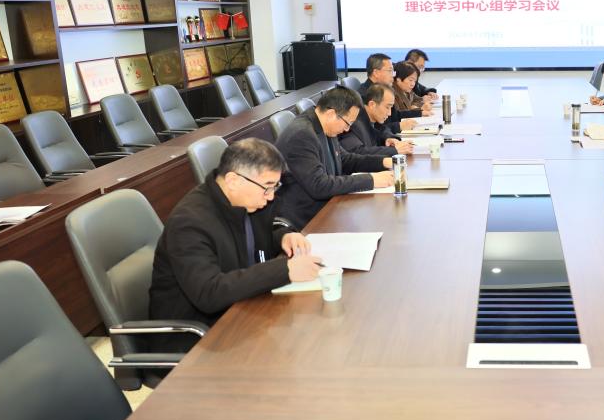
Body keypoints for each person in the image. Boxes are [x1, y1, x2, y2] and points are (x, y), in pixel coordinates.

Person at [149, 138, 323, 353]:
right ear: (233, 180)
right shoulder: (189, 223)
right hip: (197, 339)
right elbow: (209, 293)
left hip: (240, 311)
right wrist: (285, 269)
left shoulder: (244, 203)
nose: (271, 197)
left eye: (275, 187)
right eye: (267, 187)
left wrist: (282, 237)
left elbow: (249, 246)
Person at [275, 86, 394, 229]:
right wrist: (371, 180)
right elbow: (319, 185)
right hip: (307, 220)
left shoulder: (325, 126)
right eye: (348, 123)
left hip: (329, 207)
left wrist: (384, 161)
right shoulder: (302, 135)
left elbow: (345, 160)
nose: (347, 129)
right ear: (331, 114)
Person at [340, 83, 414, 157]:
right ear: (372, 104)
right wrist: (394, 150)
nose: (389, 113)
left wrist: (388, 138)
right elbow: (357, 152)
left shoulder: (374, 118)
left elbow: (383, 129)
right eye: (387, 107)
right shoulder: (354, 121)